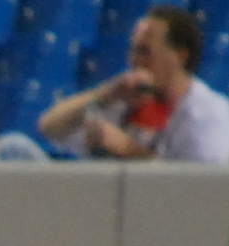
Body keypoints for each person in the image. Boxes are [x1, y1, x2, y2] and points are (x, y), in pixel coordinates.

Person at [38, 5, 229, 163]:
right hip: (103, 201)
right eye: (133, 51)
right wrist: (108, 93)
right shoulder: (130, 95)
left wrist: (130, 150)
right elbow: (49, 127)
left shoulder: (207, 114)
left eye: (145, 52)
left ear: (180, 56)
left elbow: (201, 190)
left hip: (159, 206)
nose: (135, 61)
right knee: (15, 147)